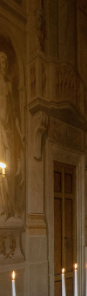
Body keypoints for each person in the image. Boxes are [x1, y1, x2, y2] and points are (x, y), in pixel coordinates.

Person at [0, 50, 23, 221]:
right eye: (1, 61)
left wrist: (21, 134)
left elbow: (14, 114)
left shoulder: (8, 86)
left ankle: (8, 206)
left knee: (7, 171)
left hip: (7, 132)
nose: (3, 64)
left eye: (5, 62)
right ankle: (3, 207)